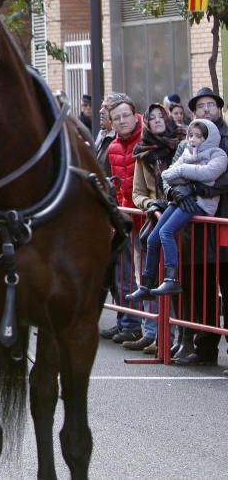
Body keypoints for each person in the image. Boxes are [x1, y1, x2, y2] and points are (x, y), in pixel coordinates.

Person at [130, 119, 228, 300]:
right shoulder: (187, 152)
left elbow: (209, 173)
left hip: (201, 203)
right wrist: (185, 177)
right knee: (153, 237)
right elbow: (167, 175)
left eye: (199, 136)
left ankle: (171, 278)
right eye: (191, 135)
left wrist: (182, 171)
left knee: (166, 232)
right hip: (181, 201)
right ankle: (147, 284)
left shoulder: (218, 154)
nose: (193, 139)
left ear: (208, 137)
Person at [167, 87, 228, 366]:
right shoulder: (186, 143)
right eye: (201, 106)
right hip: (195, 228)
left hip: (223, 224)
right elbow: (169, 176)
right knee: (198, 289)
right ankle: (203, 349)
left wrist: (200, 189)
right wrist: (174, 193)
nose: (206, 109)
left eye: (211, 105)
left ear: (219, 108)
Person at [128, 104, 187, 352]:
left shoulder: (183, 143)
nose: (156, 120)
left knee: (181, 283)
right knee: (154, 278)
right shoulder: (142, 155)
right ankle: (158, 335)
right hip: (158, 216)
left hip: (183, 216)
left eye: (159, 116)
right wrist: (151, 205)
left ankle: (179, 338)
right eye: (151, 118)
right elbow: (137, 194)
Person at [103, 93, 145, 344]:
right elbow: (117, 187)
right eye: (116, 118)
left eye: (125, 115)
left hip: (148, 216)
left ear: (134, 114)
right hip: (126, 217)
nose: (122, 121)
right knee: (125, 274)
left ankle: (153, 330)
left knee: (149, 277)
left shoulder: (147, 138)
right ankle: (129, 322)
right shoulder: (113, 147)